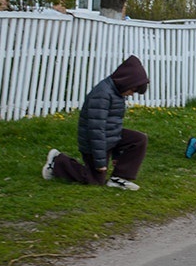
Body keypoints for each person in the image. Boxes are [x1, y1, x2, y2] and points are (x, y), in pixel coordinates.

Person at [42, 55, 149, 190]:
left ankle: (119, 177)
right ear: (126, 81)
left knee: (139, 139)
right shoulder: (102, 94)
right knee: (95, 180)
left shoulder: (117, 93)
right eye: (133, 90)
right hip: (93, 143)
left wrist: (117, 155)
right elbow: (96, 130)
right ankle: (57, 161)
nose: (132, 94)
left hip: (108, 137)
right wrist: (100, 163)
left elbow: (114, 125)